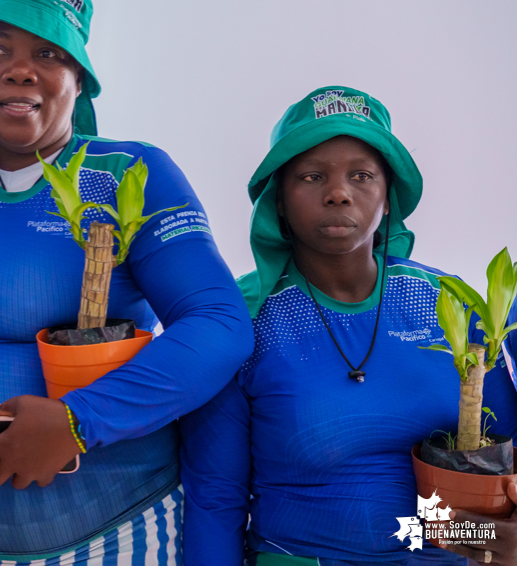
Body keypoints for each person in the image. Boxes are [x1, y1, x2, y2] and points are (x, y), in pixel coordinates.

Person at [0, 0, 253, 565]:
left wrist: (79, 421)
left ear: (80, 82)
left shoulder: (133, 173)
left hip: (115, 535)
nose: (21, 68)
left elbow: (219, 325)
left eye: (49, 55)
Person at [181, 86, 517, 565]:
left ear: (387, 199)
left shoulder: (453, 305)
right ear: (278, 199)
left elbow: (507, 454)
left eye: (361, 176)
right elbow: (215, 496)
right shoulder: (241, 321)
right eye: (312, 176)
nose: (338, 193)